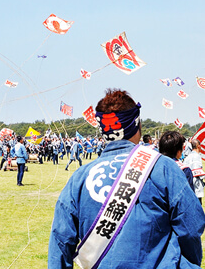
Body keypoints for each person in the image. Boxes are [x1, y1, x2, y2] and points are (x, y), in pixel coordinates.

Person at [49, 89, 205, 268]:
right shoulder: (163, 167)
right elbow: (191, 226)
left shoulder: (79, 178)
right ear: (137, 125)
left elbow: (60, 243)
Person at [184, 139, 205, 204]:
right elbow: (197, 170)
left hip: (188, 182)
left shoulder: (188, 157)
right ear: (198, 146)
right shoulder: (197, 156)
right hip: (196, 184)